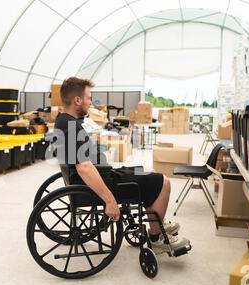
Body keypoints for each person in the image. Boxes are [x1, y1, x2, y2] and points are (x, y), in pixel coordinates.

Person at [53, 77, 190, 254]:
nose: (90, 102)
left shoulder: (64, 122)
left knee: (151, 171)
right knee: (164, 182)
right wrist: (110, 201)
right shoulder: (71, 127)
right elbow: (84, 168)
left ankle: (158, 222)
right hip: (102, 182)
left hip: (101, 175)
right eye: (88, 98)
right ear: (77, 100)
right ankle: (156, 240)